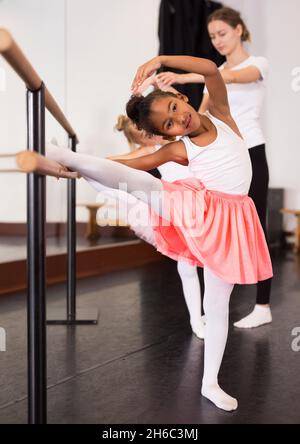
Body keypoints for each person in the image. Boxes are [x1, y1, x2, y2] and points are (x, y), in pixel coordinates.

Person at [46, 54, 273, 411]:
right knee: (137, 183)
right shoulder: (179, 149)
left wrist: (162, 61)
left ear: (181, 97)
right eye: (169, 124)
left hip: (233, 224)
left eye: (173, 108)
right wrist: (95, 164)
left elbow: (211, 70)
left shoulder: (223, 116)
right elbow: (135, 163)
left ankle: (210, 383)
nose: (178, 118)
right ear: (168, 134)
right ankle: (71, 159)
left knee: (217, 307)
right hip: (199, 208)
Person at [155, 6, 272, 329]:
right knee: (216, 227)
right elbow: (200, 116)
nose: (217, 41)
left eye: (222, 33)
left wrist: (184, 75)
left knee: (256, 225)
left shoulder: (256, 64)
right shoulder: (214, 73)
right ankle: (217, 302)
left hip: (251, 151)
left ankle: (263, 305)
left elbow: (228, 76)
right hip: (220, 159)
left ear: (238, 30)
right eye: (212, 37)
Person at [111, 115, 205, 339]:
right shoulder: (149, 151)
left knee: (210, 264)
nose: (149, 135)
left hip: (201, 203)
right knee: (187, 265)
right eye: (143, 135)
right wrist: (77, 162)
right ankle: (195, 319)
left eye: (147, 129)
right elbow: (113, 161)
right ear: (141, 142)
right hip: (177, 209)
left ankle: (206, 313)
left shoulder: (181, 136)